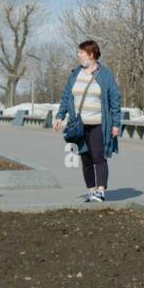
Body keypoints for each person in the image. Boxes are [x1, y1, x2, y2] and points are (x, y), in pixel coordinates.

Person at [52, 40, 121, 203]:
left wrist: (116, 124)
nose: (78, 55)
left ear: (91, 54)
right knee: (85, 158)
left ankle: (101, 190)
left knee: (98, 157)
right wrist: (60, 116)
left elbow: (115, 99)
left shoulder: (105, 75)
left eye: (81, 52)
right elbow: (66, 96)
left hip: (98, 124)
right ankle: (91, 191)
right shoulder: (75, 74)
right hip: (79, 125)